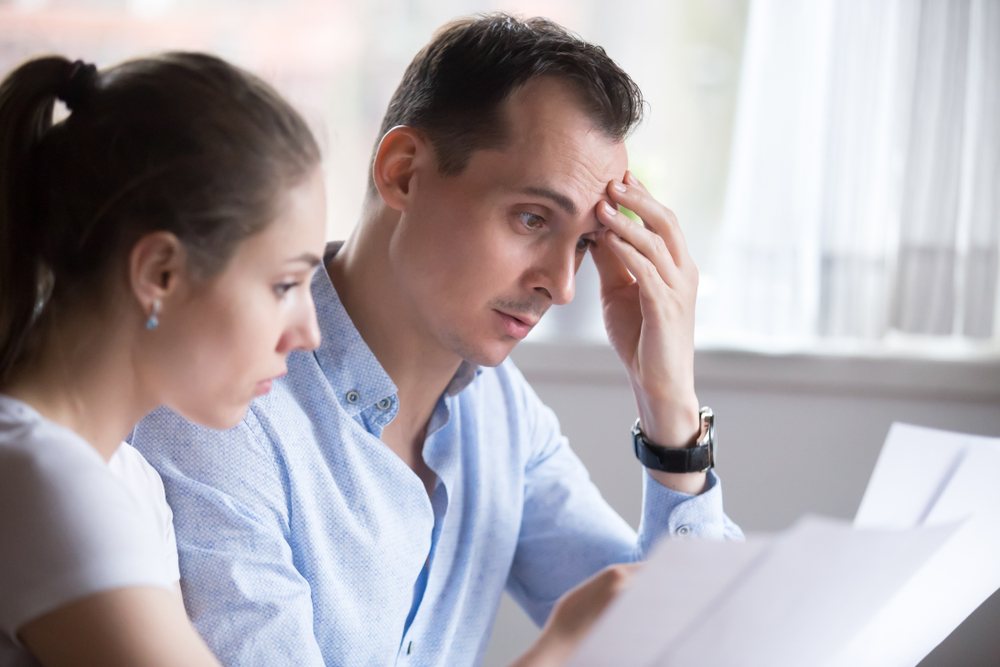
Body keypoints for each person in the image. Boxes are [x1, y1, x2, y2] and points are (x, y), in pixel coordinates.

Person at [132, 14, 744, 667]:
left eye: (586, 243)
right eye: (532, 218)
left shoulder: (503, 416)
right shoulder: (222, 408)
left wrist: (671, 408)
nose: (561, 285)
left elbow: (697, 647)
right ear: (402, 172)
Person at [0, 51, 620, 667]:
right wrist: (561, 646)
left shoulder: (118, 478)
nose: (306, 330)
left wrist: (668, 406)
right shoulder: (46, 479)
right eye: (282, 285)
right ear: (160, 273)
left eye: (587, 244)